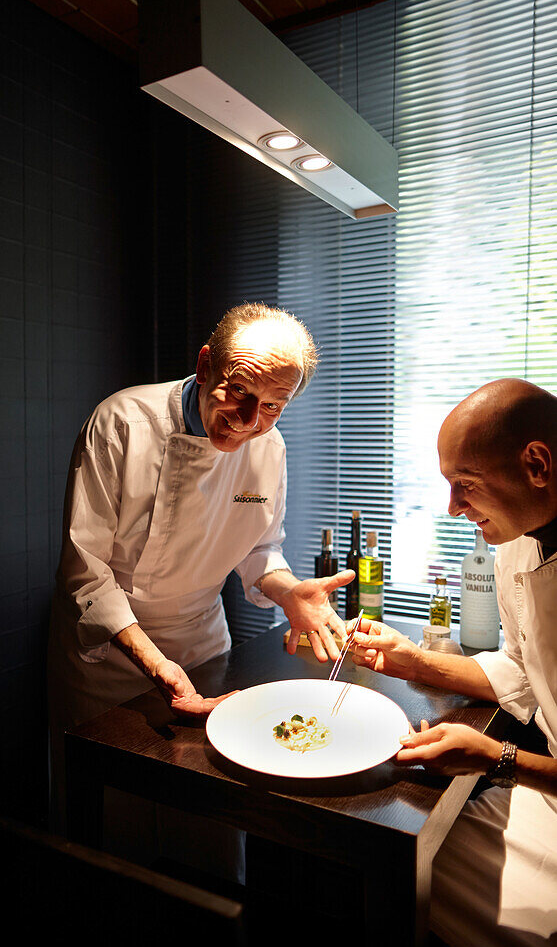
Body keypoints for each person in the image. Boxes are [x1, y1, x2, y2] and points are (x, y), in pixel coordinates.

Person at [47, 302, 354, 864]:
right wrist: (154, 663)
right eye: (237, 392)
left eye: (271, 407)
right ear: (206, 362)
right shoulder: (122, 422)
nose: (247, 420)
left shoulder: (270, 445)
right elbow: (84, 570)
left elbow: (260, 548)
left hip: (202, 648)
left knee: (208, 822)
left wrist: (289, 593)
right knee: (118, 831)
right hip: (107, 662)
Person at [349, 378, 557, 947]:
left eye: (464, 483)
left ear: (537, 464)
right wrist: (416, 661)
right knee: (399, 857)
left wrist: (498, 759)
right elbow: (524, 669)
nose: (451, 507)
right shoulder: (518, 538)